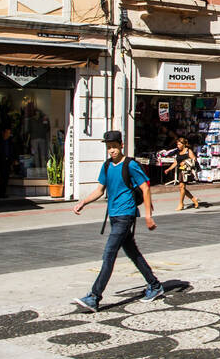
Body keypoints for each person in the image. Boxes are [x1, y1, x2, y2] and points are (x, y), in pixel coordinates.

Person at [71, 130, 164, 312]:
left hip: (125, 214)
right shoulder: (106, 166)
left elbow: (145, 188)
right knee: (132, 253)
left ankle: (94, 296)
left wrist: (148, 215)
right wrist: (83, 202)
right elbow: (99, 190)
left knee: (109, 254)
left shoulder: (130, 165)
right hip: (113, 215)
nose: (112, 151)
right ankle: (154, 285)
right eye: (109, 147)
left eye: (114, 147)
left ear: (121, 145)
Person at [165, 137, 201, 211]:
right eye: (177, 144)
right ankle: (194, 199)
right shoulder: (178, 151)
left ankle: (181, 204)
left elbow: (194, 159)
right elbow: (176, 162)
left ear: (184, 144)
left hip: (187, 171)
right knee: (182, 188)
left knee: (182, 187)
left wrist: (185, 161)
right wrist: (169, 169)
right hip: (181, 171)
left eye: (179, 144)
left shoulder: (188, 151)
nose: (177, 146)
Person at [0, 127, 15, 199]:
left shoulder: (10, 142)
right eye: (7, 133)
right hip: (1, 161)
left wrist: (13, 160)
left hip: (8, 161)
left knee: (6, 177)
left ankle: (3, 193)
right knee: (2, 177)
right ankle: (1, 193)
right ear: (3, 133)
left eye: (9, 133)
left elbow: (13, 151)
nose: (8, 134)